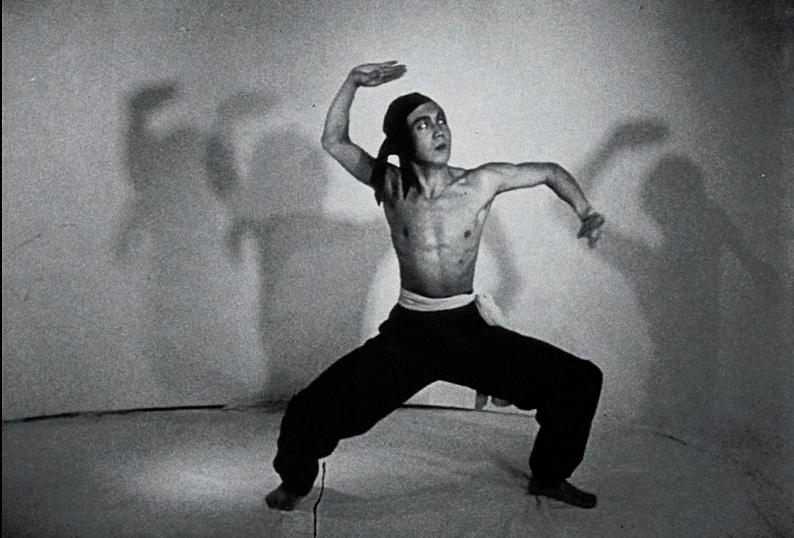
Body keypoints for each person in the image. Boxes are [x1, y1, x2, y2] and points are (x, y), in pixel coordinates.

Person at [266, 61, 606, 511]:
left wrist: (585, 211)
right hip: (410, 333)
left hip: (467, 330)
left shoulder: (479, 183)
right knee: (310, 410)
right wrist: (352, 82)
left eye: (441, 119)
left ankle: (549, 476)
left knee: (579, 380)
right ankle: (294, 482)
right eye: (423, 124)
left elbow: (548, 171)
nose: (439, 129)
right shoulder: (389, 185)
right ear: (402, 140)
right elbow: (334, 141)